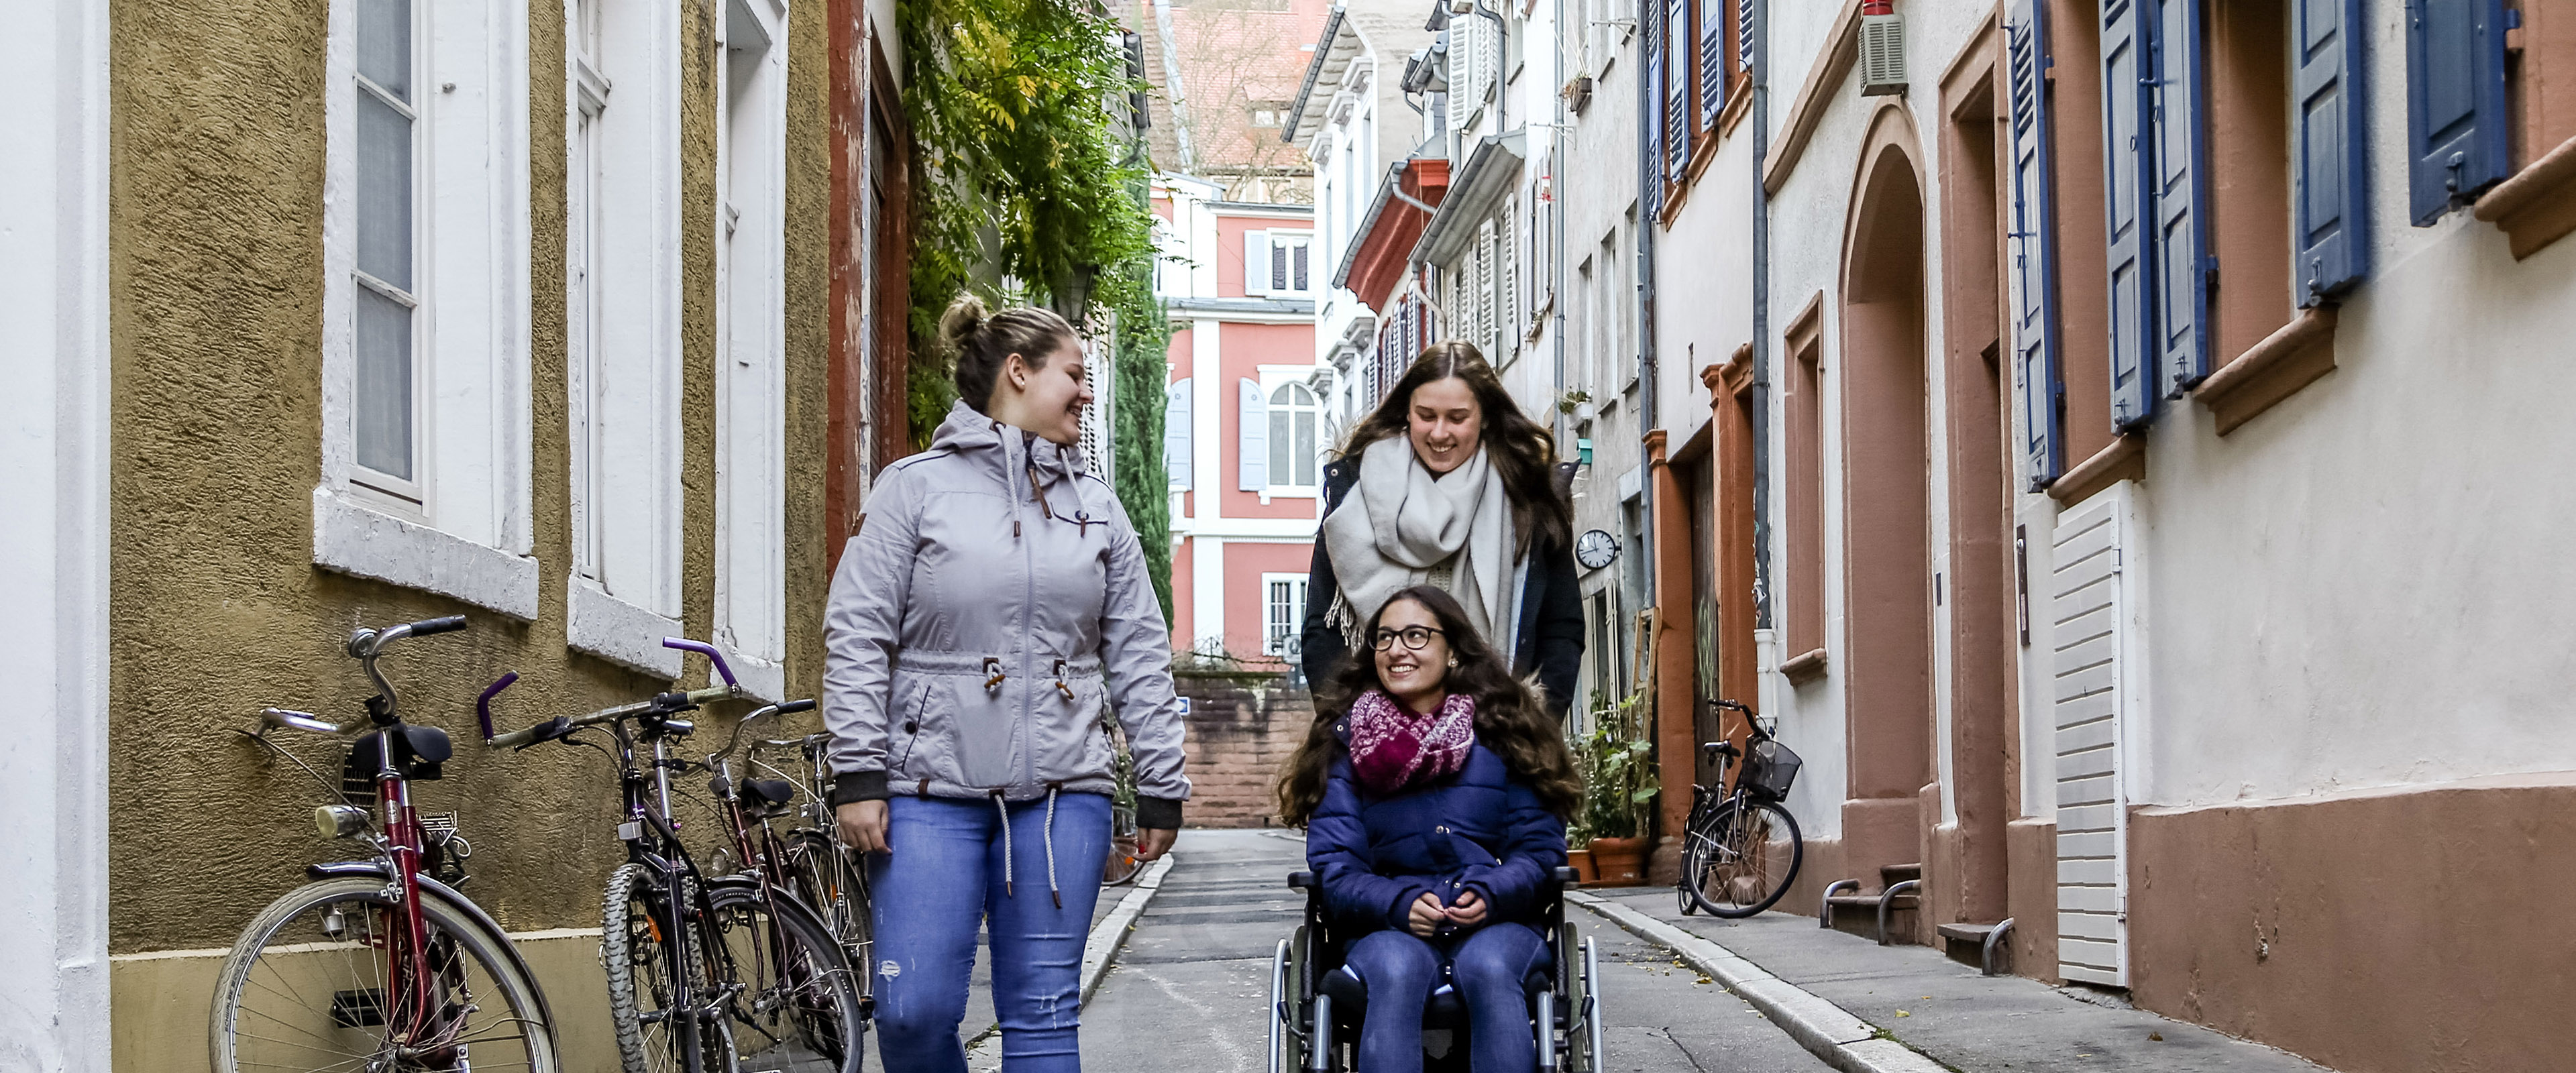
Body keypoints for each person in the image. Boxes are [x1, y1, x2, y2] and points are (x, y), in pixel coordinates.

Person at [823, 294, 1191, 1073]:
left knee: (1045, 1017)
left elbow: (1138, 652)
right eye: (1075, 374)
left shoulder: (1097, 510)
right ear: (1019, 374)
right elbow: (857, 632)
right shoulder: (911, 490)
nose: (1086, 393)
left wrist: (1162, 779)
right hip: (927, 788)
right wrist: (857, 771)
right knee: (913, 1011)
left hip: (1064, 793)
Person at [1277, 585, 1581, 1073]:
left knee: (1488, 966)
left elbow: (1540, 851)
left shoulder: (1508, 736)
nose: (1397, 649)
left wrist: (1491, 892)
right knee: (1398, 970)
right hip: (1386, 928)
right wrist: (1397, 904)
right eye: (1385, 638)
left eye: (1416, 635)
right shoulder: (1344, 746)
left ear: (1453, 650)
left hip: (1498, 923)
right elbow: (1336, 869)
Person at [1301, 341, 1584, 720]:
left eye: (1456, 417)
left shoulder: (1528, 497)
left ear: (1484, 417)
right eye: (1426, 415)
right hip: (1375, 742)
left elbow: (1561, 629)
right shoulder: (1354, 496)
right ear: (1407, 413)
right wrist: (1347, 729)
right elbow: (1323, 630)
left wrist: (1534, 728)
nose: (1439, 433)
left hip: (1496, 735)